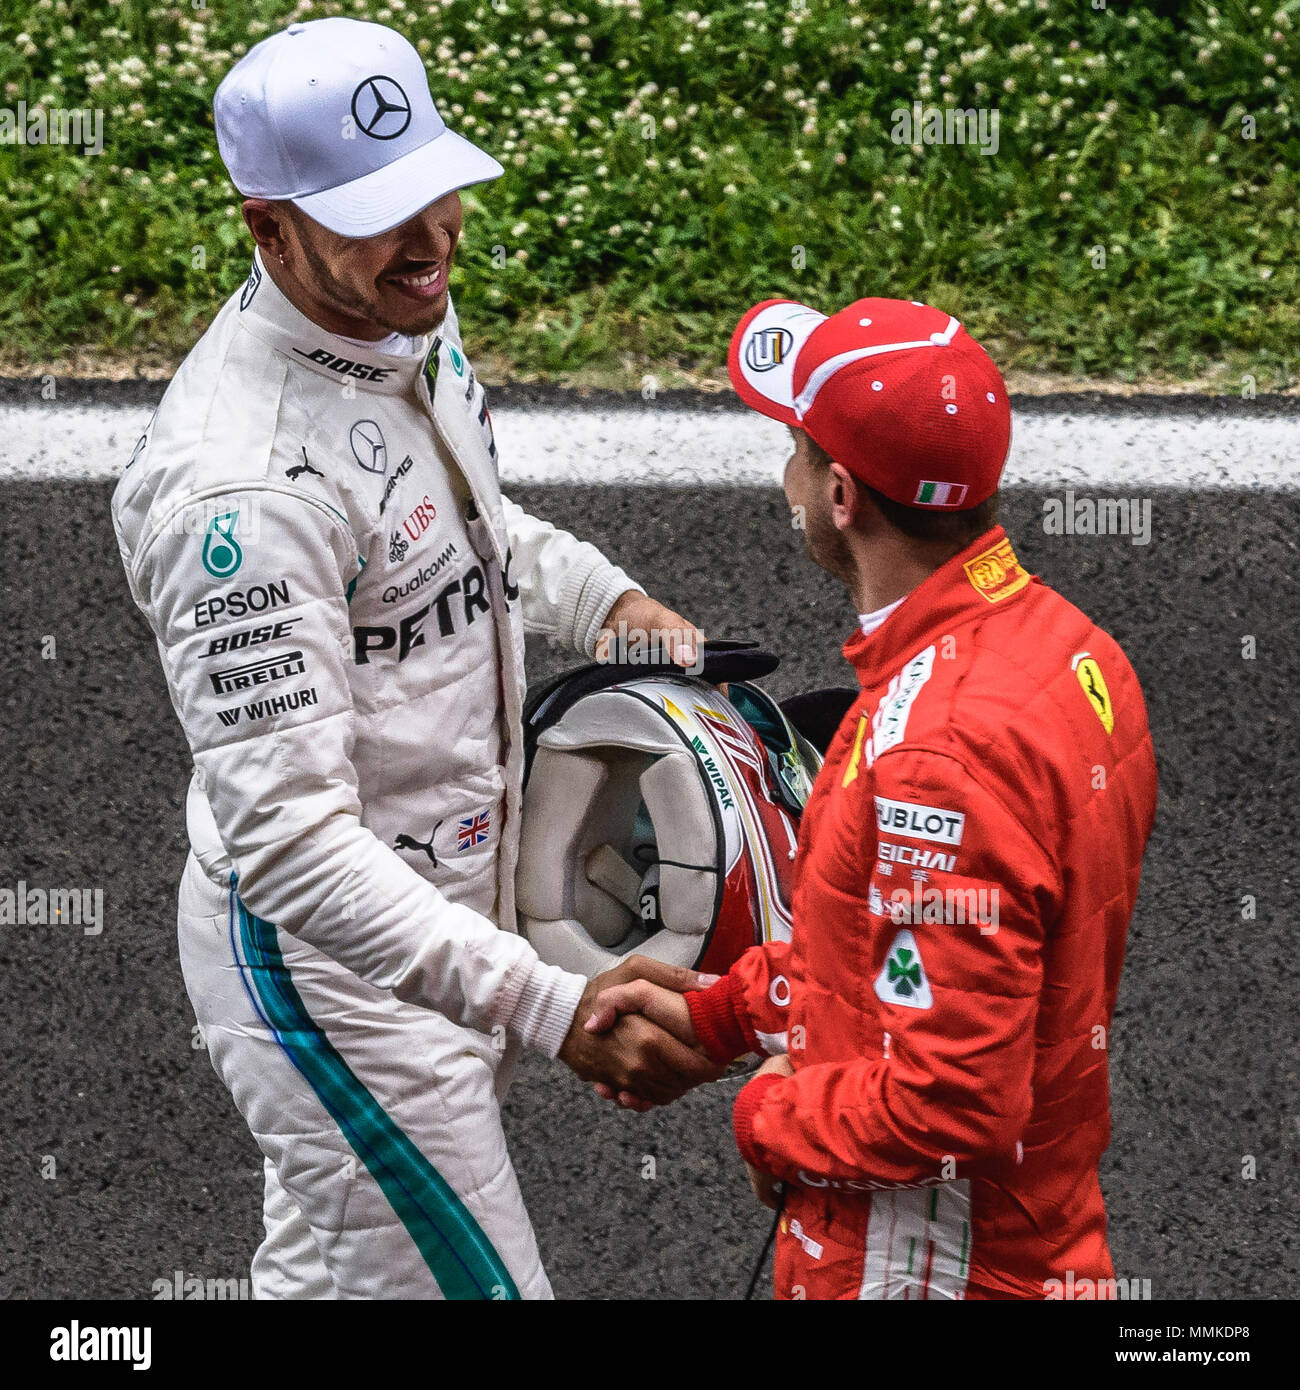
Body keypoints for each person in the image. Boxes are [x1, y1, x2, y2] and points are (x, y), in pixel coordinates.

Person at [111, 16, 718, 1301]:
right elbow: (286, 845)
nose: (430, 235)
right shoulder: (239, 495)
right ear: (265, 226)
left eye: (431, 185)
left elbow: (456, 529)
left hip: (442, 929)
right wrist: (549, 1007)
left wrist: (605, 602)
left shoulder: (395, 313)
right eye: (376, 212)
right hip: (335, 979)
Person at [590, 296, 1158, 1299]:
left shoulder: (934, 749)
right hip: (1035, 1241)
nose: (786, 477)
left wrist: (765, 1113)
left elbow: (948, 1102)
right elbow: (890, 955)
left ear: (840, 495)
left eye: (795, 451)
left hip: (921, 1270)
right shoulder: (1071, 648)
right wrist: (722, 1015)